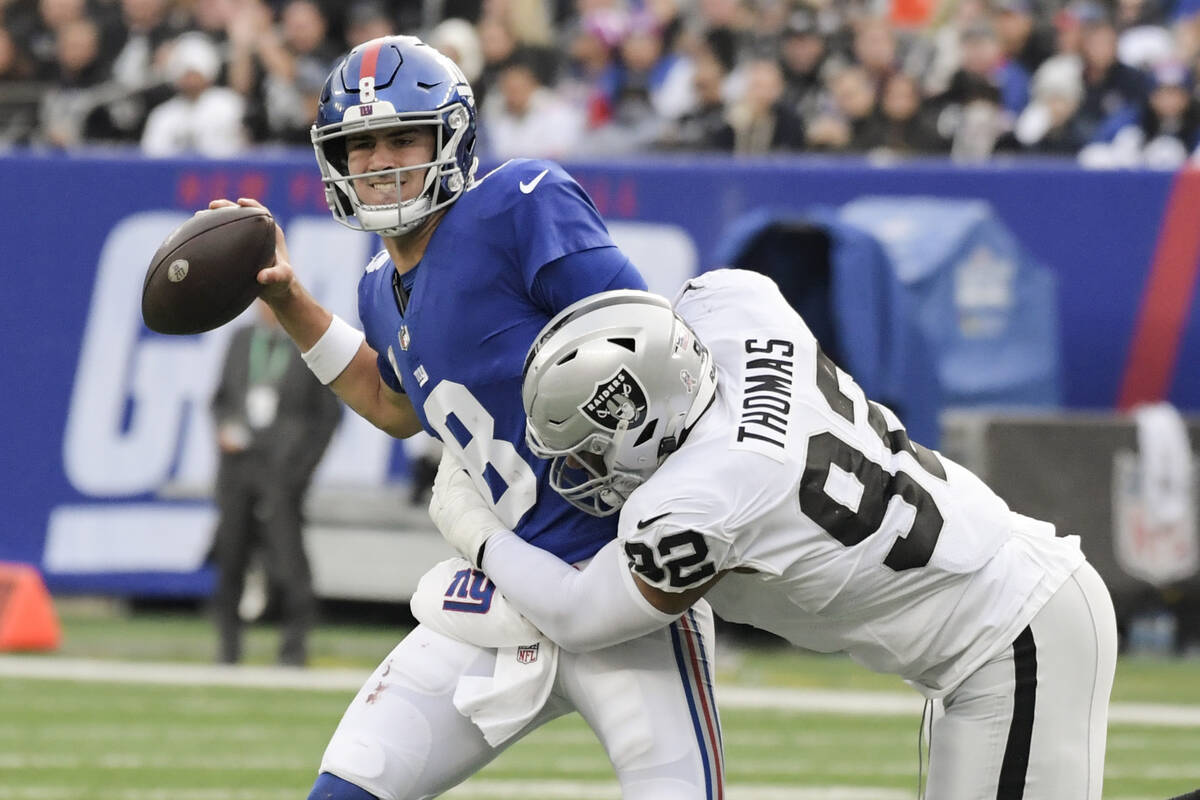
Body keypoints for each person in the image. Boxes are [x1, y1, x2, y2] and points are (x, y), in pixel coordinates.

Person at [209, 34, 724, 800]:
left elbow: (654, 353)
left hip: (622, 587)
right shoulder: (378, 288)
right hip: (502, 598)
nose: (379, 160)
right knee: (347, 787)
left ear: (451, 136)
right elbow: (390, 405)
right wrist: (288, 301)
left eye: (400, 137)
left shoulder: (519, 203)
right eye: (360, 144)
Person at [430, 268, 1119, 799]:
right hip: (1003, 614)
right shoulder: (737, 310)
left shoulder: (697, 498)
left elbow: (580, 614)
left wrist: (476, 532)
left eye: (590, 450)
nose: (583, 472)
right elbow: (657, 320)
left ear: (642, 420)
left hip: (1014, 634)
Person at [209, 299, 341, 667]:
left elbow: (327, 418)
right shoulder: (241, 339)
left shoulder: (307, 344)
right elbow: (221, 399)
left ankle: (294, 648)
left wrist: (301, 470)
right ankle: (228, 649)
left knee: (288, 560)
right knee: (231, 555)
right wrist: (225, 429)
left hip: (283, 473)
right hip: (238, 467)